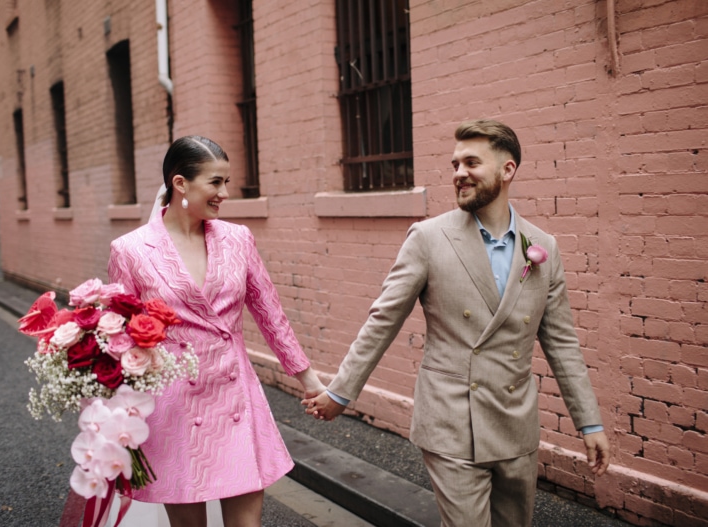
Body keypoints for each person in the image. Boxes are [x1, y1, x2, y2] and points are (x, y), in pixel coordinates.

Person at [303, 119, 610, 526]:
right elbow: (383, 320)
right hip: (450, 422)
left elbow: (562, 343)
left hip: (515, 424)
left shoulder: (541, 247)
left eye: (471, 162)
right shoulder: (429, 238)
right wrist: (341, 393)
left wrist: (589, 423)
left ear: (507, 170)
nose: (459, 173)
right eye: (455, 164)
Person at [108, 135, 326, 527]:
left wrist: (308, 380)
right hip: (173, 406)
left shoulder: (238, 239)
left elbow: (269, 312)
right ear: (180, 184)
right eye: (215, 182)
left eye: (226, 181)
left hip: (233, 396)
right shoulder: (131, 250)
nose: (225, 193)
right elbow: (119, 336)